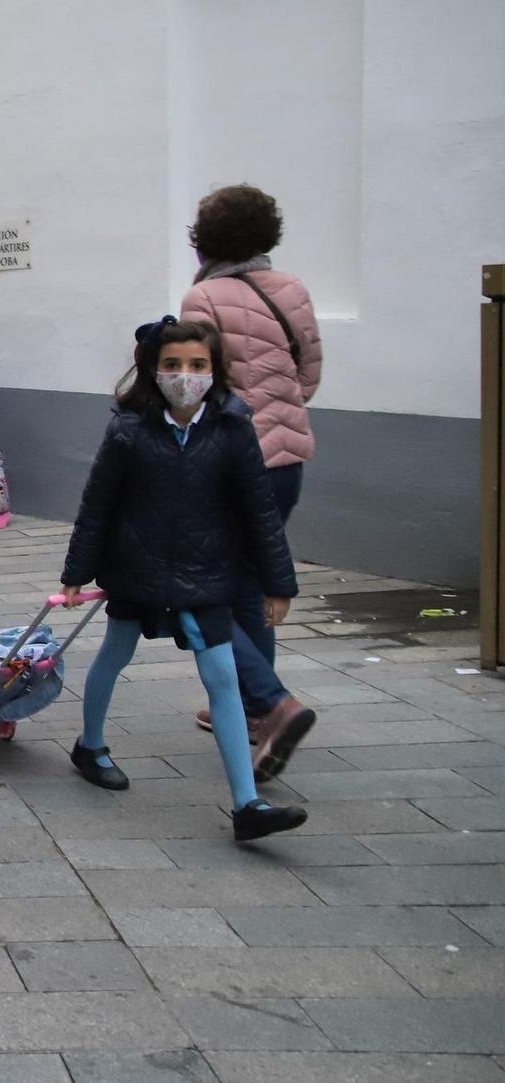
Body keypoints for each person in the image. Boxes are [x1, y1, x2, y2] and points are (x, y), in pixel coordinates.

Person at [59, 317, 307, 842]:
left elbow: (260, 510)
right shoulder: (127, 429)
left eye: (197, 365)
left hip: (205, 573)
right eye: (172, 365)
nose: (185, 376)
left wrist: (277, 584)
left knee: (221, 677)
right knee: (114, 653)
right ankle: (91, 744)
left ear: (215, 371)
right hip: (136, 568)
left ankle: (247, 804)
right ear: (153, 370)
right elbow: (97, 504)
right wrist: (77, 573)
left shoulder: (234, 429)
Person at [179, 183, 323, 759]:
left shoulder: (204, 297)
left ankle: (271, 701)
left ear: (204, 239)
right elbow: (308, 374)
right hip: (287, 460)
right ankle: (248, 707)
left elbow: (197, 386)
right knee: (251, 584)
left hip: (232, 464)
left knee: (193, 587)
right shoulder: (293, 289)